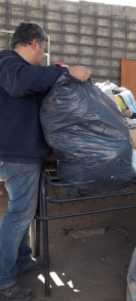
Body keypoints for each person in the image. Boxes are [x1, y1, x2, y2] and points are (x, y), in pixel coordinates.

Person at [0, 22, 91, 301]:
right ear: (34, 43)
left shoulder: (19, 68)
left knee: (24, 210)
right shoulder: (7, 61)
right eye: (43, 49)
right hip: (15, 154)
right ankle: (4, 281)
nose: (43, 55)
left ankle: (23, 258)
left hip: (20, 153)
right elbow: (22, 83)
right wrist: (65, 71)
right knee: (19, 215)